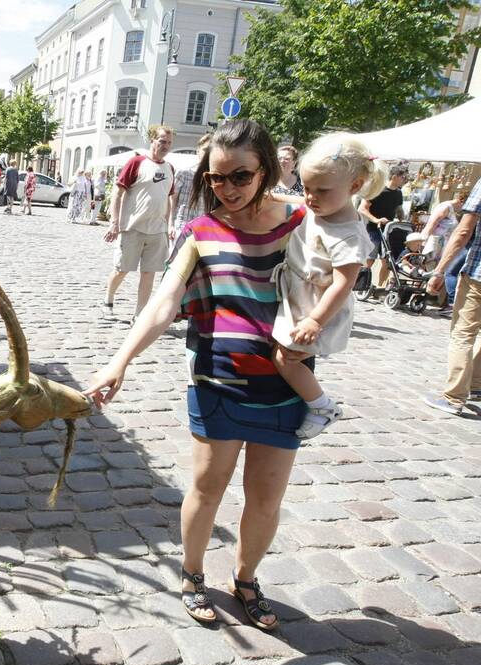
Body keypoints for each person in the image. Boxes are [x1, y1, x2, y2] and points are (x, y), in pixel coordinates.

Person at [86, 119, 309, 632]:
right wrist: (120, 362)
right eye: (216, 179)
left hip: (284, 383)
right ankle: (191, 574)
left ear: (267, 169)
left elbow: (338, 276)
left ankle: (246, 578)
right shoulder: (201, 232)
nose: (227, 189)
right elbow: (164, 303)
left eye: (240, 177)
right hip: (217, 380)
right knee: (207, 489)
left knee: (266, 497)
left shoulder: (299, 222)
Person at [270, 133, 386, 440]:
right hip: (299, 296)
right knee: (282, 354)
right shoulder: (324, 206)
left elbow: (343, 284)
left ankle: (322, 406)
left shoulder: (349, 233)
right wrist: (271, 196)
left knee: (285, 358)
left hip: (315, 306)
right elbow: (300, 202)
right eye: (307, 187)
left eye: (321, 190)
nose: (310, 197)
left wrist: (315, 320)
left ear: (355, 186)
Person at [424, 174, 481, 414]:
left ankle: (454, 397)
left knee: (463, 332)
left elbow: (464, 230)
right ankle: (476, 385)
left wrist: (439, 270)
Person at [102, 125, 175, 321]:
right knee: (122, 269)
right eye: (162, 141)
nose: (165, 146)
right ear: (152, 140)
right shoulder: (136, 162)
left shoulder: (169, 168)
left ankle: (139, 314)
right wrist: (115, 222)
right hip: (132, 227)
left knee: (149, 273)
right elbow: (118, 192)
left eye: (168, 142)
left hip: (157, 231)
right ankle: (108, 300)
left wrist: (169, 224)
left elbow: (169, 197)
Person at [359, 165, 407, 289]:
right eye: (403, 177)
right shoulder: (378, 190)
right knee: (370, 258)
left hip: (388, 230)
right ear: (395, 177)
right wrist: (376, 220)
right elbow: (362, 208)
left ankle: (380, 287)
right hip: (374, 229)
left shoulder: (398, 193)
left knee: (387, 261)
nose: (405, 179)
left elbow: (398, 209)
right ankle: (360, 284)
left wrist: (402, 220)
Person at [421, 190, 467, 316]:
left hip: (444, 244)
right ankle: (426, 295)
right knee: (432, 269)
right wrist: (423, 240)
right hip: (436, 243)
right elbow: (432, 224)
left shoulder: (452, 210)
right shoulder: (446, 207)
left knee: (439, 270)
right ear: (461, 201)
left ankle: (430, 296)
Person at [169, 133, 213, 246]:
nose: (207, 153)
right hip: (182, 226)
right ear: (198, 151)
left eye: (210, 150)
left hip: (203, 230)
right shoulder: (184, 173)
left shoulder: (215, 178)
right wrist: (170, 224)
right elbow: (172, 200)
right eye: (205, 149)